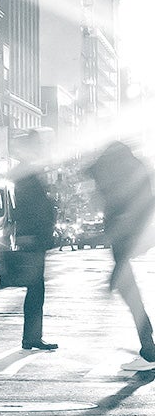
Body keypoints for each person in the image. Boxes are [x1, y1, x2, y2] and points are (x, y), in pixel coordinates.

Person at [84, 139, 155, 371]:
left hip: (123, 238)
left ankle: (149, 352)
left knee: (131, 295)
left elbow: (94, 176)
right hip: (129, 236)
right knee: (131, 294)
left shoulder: (118, 174)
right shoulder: (134, 169)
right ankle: (149, 348)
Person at [11, 129, 59, 351]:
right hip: (33, 237)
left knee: (35, 287)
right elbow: (27, 208)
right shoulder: (26, 174)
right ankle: (31, 337)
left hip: (34, 236)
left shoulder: (29, 172)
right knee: (35, 287)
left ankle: (32, 337)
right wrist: (28, 234)